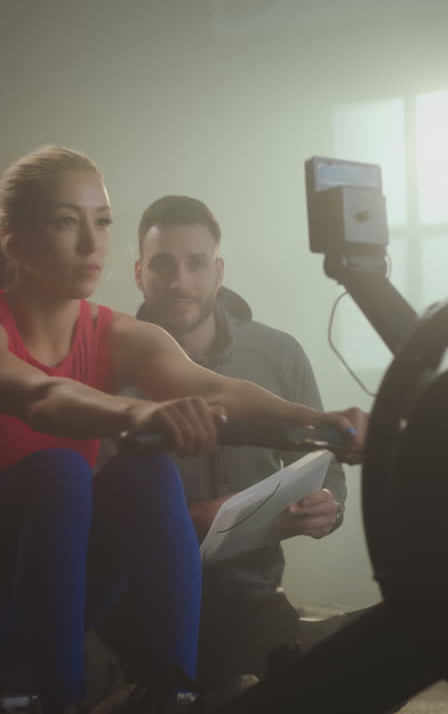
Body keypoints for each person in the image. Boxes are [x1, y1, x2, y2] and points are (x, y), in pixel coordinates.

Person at [0, 146, 367, 714]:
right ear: (14, 238)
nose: (92, 243)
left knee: (146, 473)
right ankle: (67, 703)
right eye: (66, 222)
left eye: (102, 222)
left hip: (41, 601)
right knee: (59, 473)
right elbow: (41, 396)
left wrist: (319, 421)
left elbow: (212, 388)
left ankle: (173, 691)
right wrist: (141, 413)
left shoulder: (116, 333)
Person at [99, 195, 347, 692]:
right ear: (138, 273)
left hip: (254, 594)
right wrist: (207, 516)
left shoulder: (278, 354)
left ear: (219, 270)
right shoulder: (104, 368)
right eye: (163, 265)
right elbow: (97, 517)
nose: (180, 283)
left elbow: (327, 467)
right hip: (139, 598)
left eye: (197, 264)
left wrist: (328, 508)